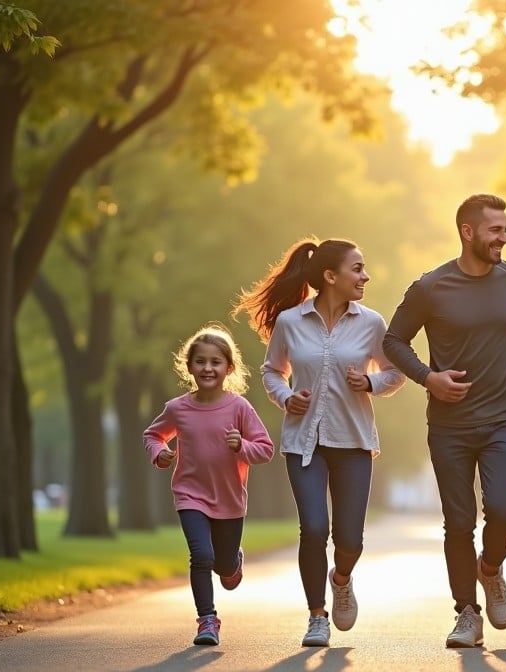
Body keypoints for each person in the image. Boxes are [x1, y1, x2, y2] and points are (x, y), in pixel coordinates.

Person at [383, 193, 506, 648]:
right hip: (448, 427)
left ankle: (491, 568)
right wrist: (429, 378)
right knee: (458, 522)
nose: (504, 237)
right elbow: (394, 341)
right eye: (495, 230)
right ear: (468, 232)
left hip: (502, 417)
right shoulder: (431, 287)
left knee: (503, 509)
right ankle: (466, 613)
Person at [233, 237, 405, 648]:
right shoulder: (291, 322)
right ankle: (317, 616)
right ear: (331, 276)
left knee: (350, 539)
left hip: (354, 442)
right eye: (357, 268)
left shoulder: (372, 323)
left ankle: (340, 579)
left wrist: (372, 382)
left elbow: (395, 371)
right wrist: (286, 397)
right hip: (303, 442)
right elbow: (272, 371)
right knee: (313, 528)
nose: (366, 276)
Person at [144, 323, 275, 647]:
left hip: (229, 499)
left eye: (215, 362)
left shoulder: (239, 408)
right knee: (201, 556)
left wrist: (241, 446)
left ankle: (232, 563)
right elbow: (153, 434)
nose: (207, 368)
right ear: (189, 367)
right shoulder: (178, 408)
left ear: (228, 367)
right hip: (191, 494)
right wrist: (160, 453)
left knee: (224, 566)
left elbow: (266, 449)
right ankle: (207, 620)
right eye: (200, 361)